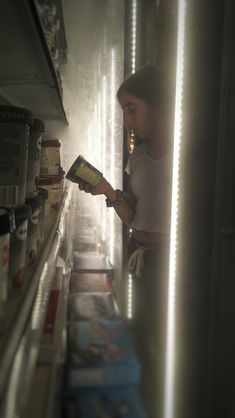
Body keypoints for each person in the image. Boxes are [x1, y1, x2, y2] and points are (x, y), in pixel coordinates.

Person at [78, 65, 172, 418]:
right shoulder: (138, 158)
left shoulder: (187, 155)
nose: (127, 119)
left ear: (158, 103)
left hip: (173, 262)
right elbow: (134, 216)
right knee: (142, 339)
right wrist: (106, 190)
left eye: (132, 107)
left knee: (168, 346)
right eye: (123, 111)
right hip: (140, 257)